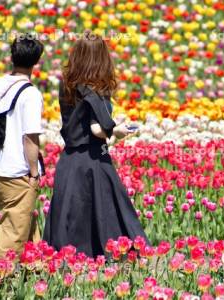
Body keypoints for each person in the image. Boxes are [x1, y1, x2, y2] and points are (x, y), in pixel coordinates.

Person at [43, 34, 149, 258]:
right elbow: (96, 130)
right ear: (101, 57)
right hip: (93, 161)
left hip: (69, 160)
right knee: (107, 213)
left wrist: (113, 136)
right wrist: (118, 131)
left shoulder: (68, 86)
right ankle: (116, 255)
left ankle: (69, 259)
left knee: (71, 216)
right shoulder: (95, 91)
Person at [0, 34, 44, 259]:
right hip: (17, 171)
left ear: (11, 57)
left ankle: (35, 273)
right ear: (37, 62)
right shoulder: (31, 94)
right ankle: (0, 283)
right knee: (14, 231)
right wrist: (34, 174)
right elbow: (30, 139)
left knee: (26, 222)